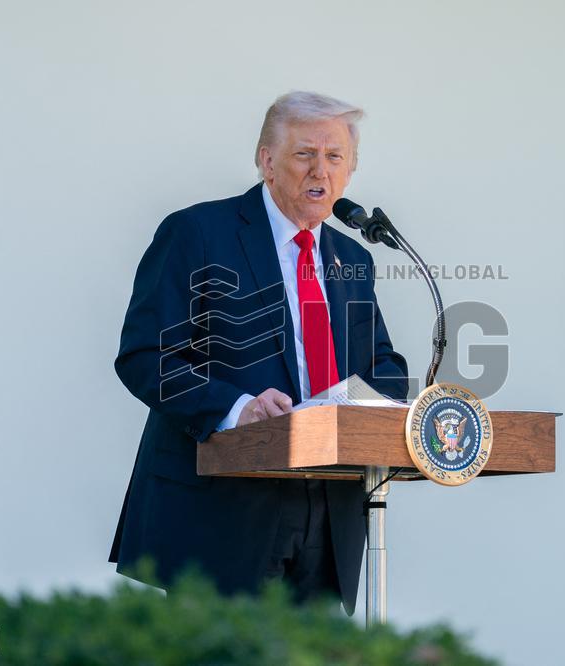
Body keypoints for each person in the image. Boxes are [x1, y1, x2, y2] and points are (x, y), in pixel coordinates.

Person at [108, 91, 409, 614]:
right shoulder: (198, 233)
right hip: (224, 509)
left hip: (330, 511)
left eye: (335, 157)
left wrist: (372, 405)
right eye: (304, 154)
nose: (320, 170)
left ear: (350, 171)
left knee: (314, 652)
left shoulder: (352, 257)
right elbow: (146, 356)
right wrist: (236, 408)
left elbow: (382, 364)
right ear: (267, 161)